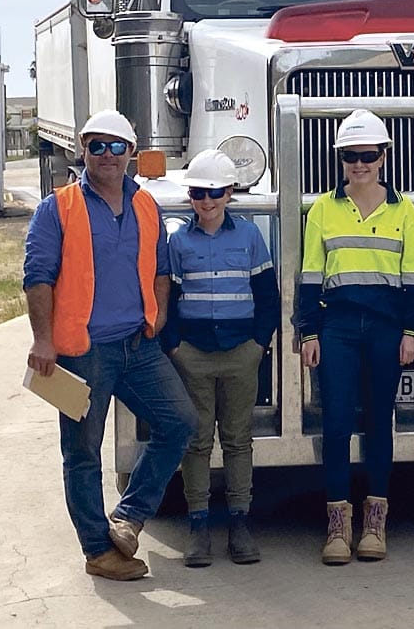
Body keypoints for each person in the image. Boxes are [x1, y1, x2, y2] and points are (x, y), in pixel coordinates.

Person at [23, 109, 198, 581]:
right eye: (96, 145)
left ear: (131, 155)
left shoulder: (145, 206)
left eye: (116, 146)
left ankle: (128, 518)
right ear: (83, 150)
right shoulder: (56, 208)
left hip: (136, 346)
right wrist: (43, 340)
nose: (106, 155)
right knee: (82, 453)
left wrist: (157, 317)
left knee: (179, 422)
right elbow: (37, 278)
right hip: (81, 352)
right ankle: (98, 550)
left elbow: (161, 269)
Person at [294, 108, 414, 565]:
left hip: (386, 329)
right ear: (340, 159)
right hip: (337, 329)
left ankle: (375, 526)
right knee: (335, 424)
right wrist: (308, 330)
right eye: (350, 156)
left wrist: (412, 331)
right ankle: (337, 529)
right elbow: (310, 276)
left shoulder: (405, 211)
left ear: (384, 156)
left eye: (368, 155)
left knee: (377, 423)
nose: (359, 164)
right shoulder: (322, 211)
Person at [160, 149, 279, 568]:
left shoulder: (249, 237)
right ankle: (198, 526)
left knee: (237, 440)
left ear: (229, 192)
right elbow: (168, 300)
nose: (206, 202)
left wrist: (257, 347)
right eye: (197, 193)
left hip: (240, 355)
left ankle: (240, 524)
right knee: (196, 442)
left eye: (213, 192)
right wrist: (176, 348)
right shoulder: (178, 242)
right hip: (193, 356)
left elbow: (267, 297)